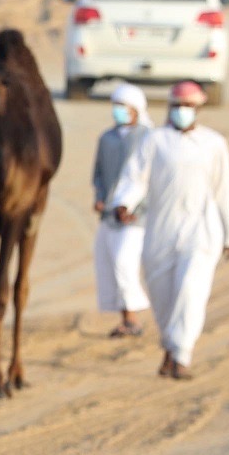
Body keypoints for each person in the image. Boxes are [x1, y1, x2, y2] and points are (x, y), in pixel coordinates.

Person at [111, 80, 229, 379]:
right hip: (160, 232)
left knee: (191, 291)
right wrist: (124, 204)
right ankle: (170, 350)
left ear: (199, 108)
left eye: (188, 106)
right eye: (177, 106)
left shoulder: (214, 143)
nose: (182, 111)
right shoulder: (154, 141)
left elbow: (224, 191)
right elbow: (135, 178)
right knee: (164, 296)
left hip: (201, 232)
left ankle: (182, 355)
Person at [91, 82, 151, 338]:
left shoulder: (149, 138)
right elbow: (99, 175)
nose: (119, 111)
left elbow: (149, 179)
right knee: (108, 264)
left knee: (125, 263)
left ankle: (134, 318)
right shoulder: (107, 138)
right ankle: (125, 318)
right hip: (109, 216)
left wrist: (137, 206)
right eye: (116, 106)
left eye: (123, 107)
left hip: (137, 217)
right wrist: (100, 198)